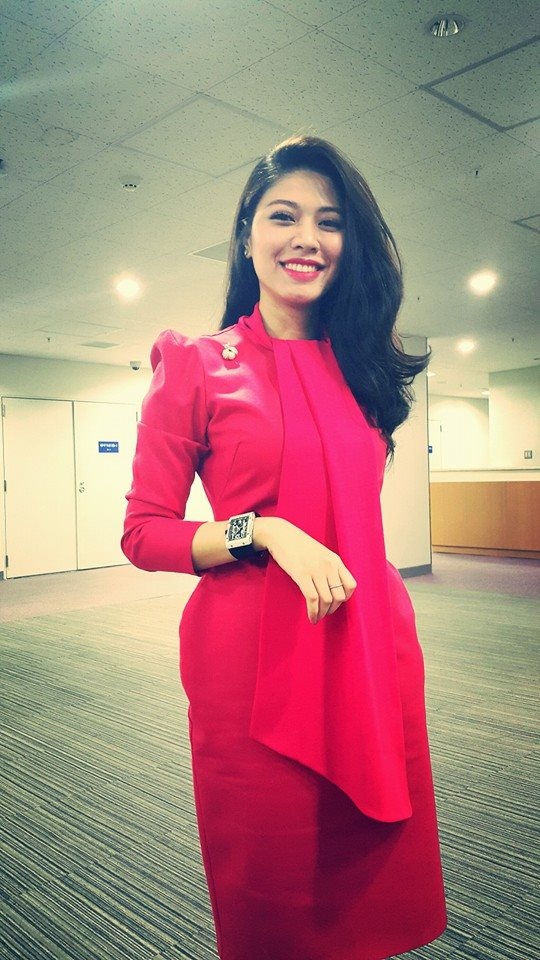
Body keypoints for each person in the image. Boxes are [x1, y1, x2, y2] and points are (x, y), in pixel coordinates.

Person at [122, 135, 447, 960]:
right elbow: (144, 532)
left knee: (370, 885)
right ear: (246, 235)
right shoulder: (198, 365)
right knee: (272, 889)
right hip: (253, 663)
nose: (307, 237)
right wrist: (259, 529)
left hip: (370, 644)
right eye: (283, 216)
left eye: (329, 222)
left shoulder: (363, 366)